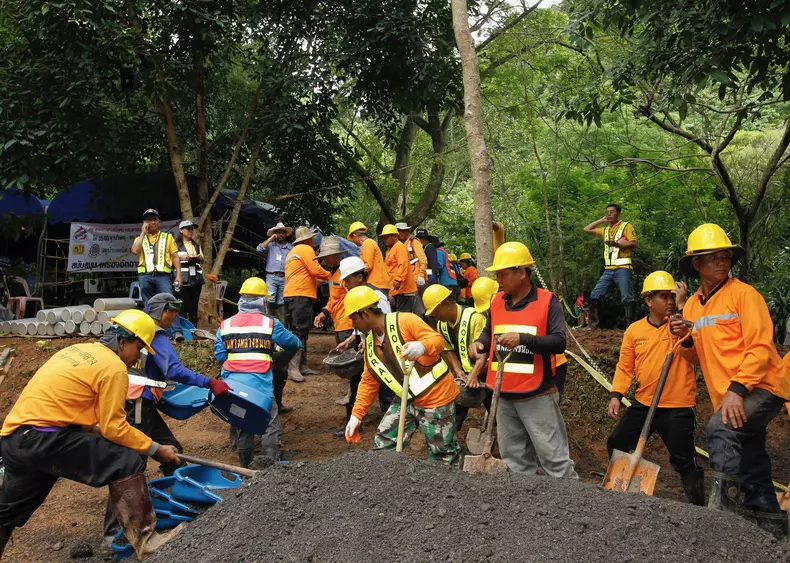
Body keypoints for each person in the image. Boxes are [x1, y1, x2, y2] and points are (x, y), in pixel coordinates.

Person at [0, 310, 181, 559]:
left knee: (7, 512)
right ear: (123, 342)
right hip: (45, 440)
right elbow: (115, 428)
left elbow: (65, 404)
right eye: (138, 348)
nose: (137, 357)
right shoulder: (114, 367)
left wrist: (91, 429)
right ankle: (147, 541)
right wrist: (156, 448)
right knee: (127, 459)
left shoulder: (76, 351)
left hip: (16, 439)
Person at [670, 223, 790, 538]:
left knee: (721, 428)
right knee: (750, 456)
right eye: (714, 258)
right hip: (731, 395)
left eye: (725, 256)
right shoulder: (694, 305)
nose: (723, 262)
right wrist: (685, 340)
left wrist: (736, 392)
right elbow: (698, 356)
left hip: (763, 386)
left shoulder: (745, 295)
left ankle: (724, 511)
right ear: (696, 264)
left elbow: (762, 347)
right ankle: (773, 526)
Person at [103, 294, 231, 541]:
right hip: (135, 404)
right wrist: (208, 382)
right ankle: (115, 533)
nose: (176, 318)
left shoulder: (123, 328)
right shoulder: (154, 333)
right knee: (131, 466)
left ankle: (182, 503)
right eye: (174, 313)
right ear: (163, 312)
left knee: (169, 453)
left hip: (128, 400)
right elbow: (173, 369)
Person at [469, 242, 577, 478]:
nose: (498, 280)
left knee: (555, 461)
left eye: (503, 274)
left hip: (537, 394)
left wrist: (523, 339)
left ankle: (572, 508)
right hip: (503, 394)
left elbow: (559, 342)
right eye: (496, 274)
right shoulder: (497, 301)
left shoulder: (548, 301)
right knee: (515, 462)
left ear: (522, 272)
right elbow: (490, 330)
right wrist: (480, 343)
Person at [606, 271, 704, 506]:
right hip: (644, 403)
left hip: (677, 407)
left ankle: (698, 508)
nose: (669, 302)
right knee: (617, 442)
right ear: (649, 301)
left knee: (684, 461)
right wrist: (616, 394)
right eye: (663, 297)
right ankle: (619, 493)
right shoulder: (635, 331)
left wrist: (686, 336)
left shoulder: (682, 325)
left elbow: (697, 357)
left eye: (672, 297)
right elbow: (625, 366)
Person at [343, 286, 461, 465]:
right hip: (406, 399)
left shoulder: (406, 321)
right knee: (383, 445)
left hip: (436, 398)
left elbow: (438, 341)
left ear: (365, 314)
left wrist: (422, 346)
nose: (352, 324)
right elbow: (368, 382)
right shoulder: (370, 345)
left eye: (353, 318)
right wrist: (356, 416)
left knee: (443, 456)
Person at [215, 277, 302, 468]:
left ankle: (245, 467)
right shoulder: (270, 324)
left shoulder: (225, 325)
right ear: (263, 301)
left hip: (233, 387)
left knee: (243, 422)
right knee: (270, 422)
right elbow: (294, 343)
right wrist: (274, 359)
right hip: (260, 385)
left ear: (241, 300)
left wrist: (238, 363)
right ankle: (271, 465)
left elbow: (220, 355)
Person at [422, 284, 488, 431]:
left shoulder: (474, 318)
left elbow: (485, 351)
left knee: (496, 410)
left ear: (446, 304)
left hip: (486, 372)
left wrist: (474, 374)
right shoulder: (442, 325)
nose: (434, 315)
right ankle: (450, 444)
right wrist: (458, 371)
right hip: (466, 376)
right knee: (455, 412)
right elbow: (448, 350)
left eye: (435, 310)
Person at [283, 226, 331, 382]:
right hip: (300, 295)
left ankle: (301, 365)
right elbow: (316, 270)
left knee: (300, 330)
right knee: (298, 331)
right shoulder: (305, 249)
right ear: (307, 239)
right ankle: (293, 368)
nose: (313, 240)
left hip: (294, 294)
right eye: (312, 238)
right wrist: (333, 275)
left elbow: (306, 274)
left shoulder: (293, 252)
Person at [583, 203, 638, 328]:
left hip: (623, 268)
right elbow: (586, 229)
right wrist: (601, 220)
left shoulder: (626, 226)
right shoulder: (605, 230)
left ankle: (631, 328)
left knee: (627, 297)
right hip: (608, 270)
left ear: (618, 214)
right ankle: (594, 326)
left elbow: (633, 244)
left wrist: (619, 244)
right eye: (607, 212)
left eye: (612, 212)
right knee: (595, 295)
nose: (609, 214)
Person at [131, 208, 182, 305]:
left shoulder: (168, 237)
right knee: (149, 304)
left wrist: (179, 275)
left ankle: (168, 320)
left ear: (159, 222)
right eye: (149, 220)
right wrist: (142, 233)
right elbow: (134, 250)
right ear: (144, 222)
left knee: (168, 303)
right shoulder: (139, 239)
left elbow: (175, 256)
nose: (152, 222)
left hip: (163, 276)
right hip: (145, 276)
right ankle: (151, 320)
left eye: (154, 219)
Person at [256, 222, 294, 325]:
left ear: (286, 234)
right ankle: (267, 324)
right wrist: (271, 238)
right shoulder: (271, 245)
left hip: (284, 277)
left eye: (283, 232)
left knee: (282, 301)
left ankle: (282, 326)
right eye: (278, 232)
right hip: (271, 276)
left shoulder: (290, 248)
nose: (281, 234)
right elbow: (259, 249)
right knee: (270, 299)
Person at [380, 224, 418, 313]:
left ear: (394, 236)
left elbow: (403, 264)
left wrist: (398, 279)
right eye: (384, 237)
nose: (385, 240)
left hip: (403, 290)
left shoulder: (400, 247)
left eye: (387, 237)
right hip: (395, 291)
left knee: (402, 316)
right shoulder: (389, 250)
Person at [174, 220, 204, 325]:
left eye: (192, 229)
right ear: (181, 230)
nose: (191, 231)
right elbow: (172, 258)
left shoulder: (195, 244)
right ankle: (182, 330)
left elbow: (203, 259)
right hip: (183, 278)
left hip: (196, 278)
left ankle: (194, 330)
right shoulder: (175, 244)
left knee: (194, 306)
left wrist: (199, 257)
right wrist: (182, 257)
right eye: (188, 229)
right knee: (182, 305)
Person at [347, 221, 389, 294]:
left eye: (352, 239)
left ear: (354, 235)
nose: (353, 241)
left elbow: (367, 266)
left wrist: (354, 275)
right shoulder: (367, 243)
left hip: (377, 284)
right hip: (376, 283)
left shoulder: (368, 243)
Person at [395, 222, 427, 290]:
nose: (398, 235)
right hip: (409, 279)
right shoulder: (404, 243)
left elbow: (422, 259)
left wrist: (421, 275)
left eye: (399, 233)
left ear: (405, 231)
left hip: (417, 278)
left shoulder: (414, 241)